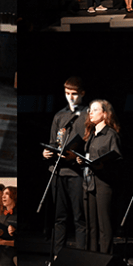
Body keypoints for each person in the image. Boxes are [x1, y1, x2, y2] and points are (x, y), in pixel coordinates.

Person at [43, 77, 88, 254]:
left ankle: (81, 257)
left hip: (76, 172)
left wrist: (77, 155)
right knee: (59, 217)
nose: (70, 97)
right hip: (58, 171)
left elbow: (91, 144)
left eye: (74, 94)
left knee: (79, 217)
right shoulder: (60, 115)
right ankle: (57, 256)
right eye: (67, 93)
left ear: (82, 93)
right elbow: (53, 142)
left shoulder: (88, 115)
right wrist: (47, 152)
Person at [77, 99, 122, 254]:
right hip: (89, 182)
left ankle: (104, 258)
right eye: (90, 110)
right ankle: (91, 256)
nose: (91, 113)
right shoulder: (91, 134)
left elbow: (118, 160)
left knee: (104, 224)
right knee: (91, 224)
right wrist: (82, 160)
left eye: (95, 110)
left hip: (104, 183)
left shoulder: (111, 135)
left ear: (104, 114)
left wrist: (103, 165)